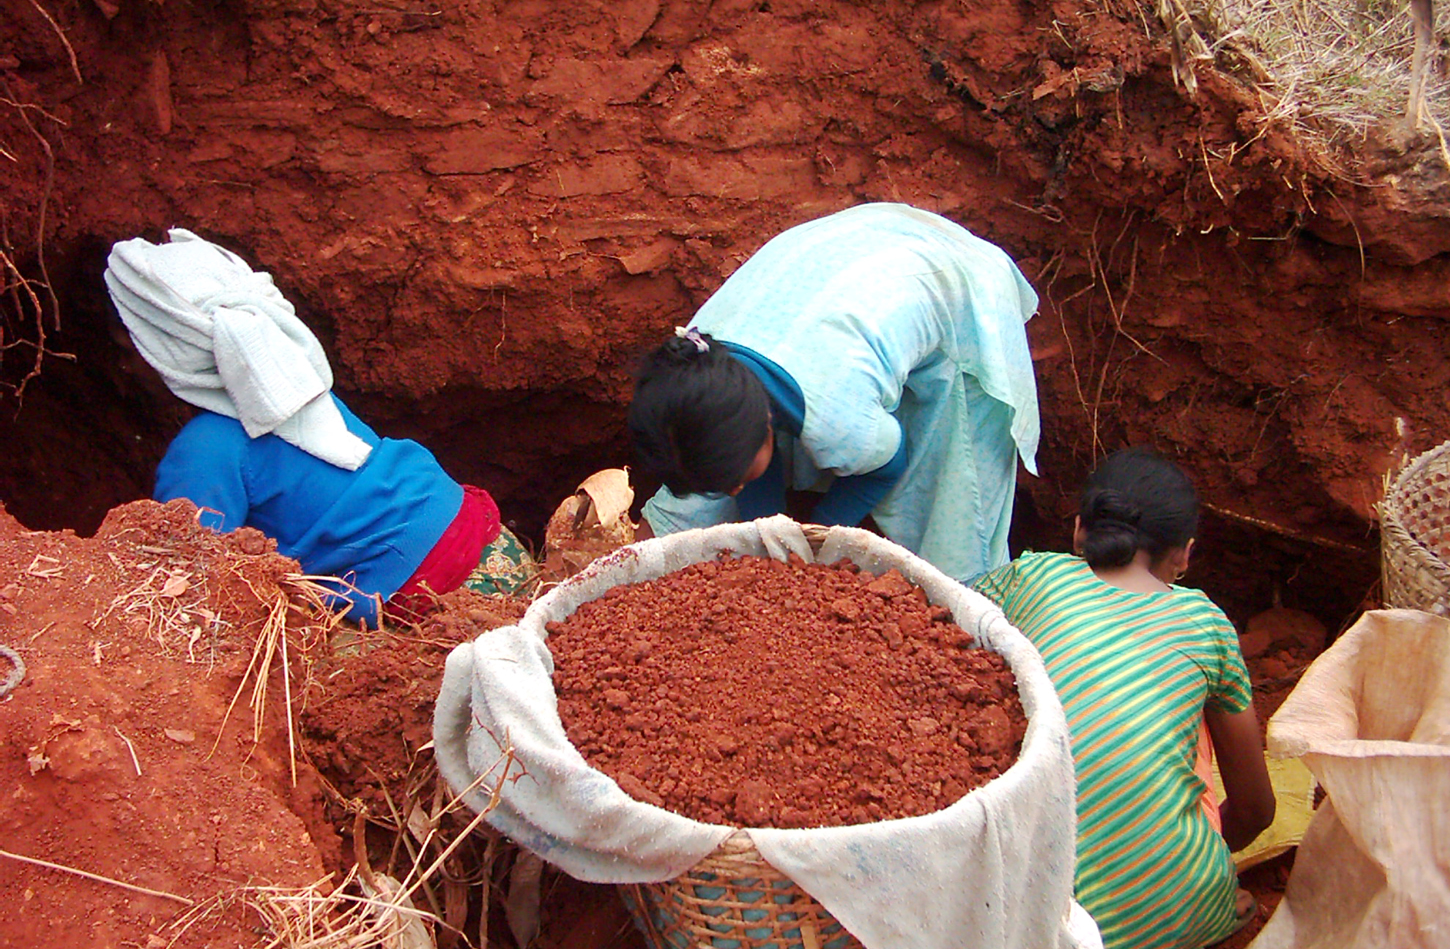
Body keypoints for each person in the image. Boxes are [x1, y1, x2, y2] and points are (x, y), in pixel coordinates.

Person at [105, 228, 536, 627]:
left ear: (164, 355)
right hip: (495, 546)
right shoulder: (300, 388)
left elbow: (192, 581)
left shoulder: (205, 449)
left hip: (428, 594)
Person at [974, 448, 1275, 949]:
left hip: (1025, 912)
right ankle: (1201, 903)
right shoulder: (1206, 623)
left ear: (1079, 529)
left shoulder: (1031, 577)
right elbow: (1257, 808)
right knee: (1188, 732)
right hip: (1180, 905)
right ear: (1183, 555)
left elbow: (954, 621)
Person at [627, 202, 1040, 584]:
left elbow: (888, 465)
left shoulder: (837, 419)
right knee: (709, 485)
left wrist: (820, 540)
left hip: (954, 286)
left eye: (738, 480)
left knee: (953, 524)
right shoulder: (697, 361)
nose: (733, 491)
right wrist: (769, 536)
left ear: (766, 424)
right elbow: (733, 471)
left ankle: (973, 621)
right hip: (857, 253)